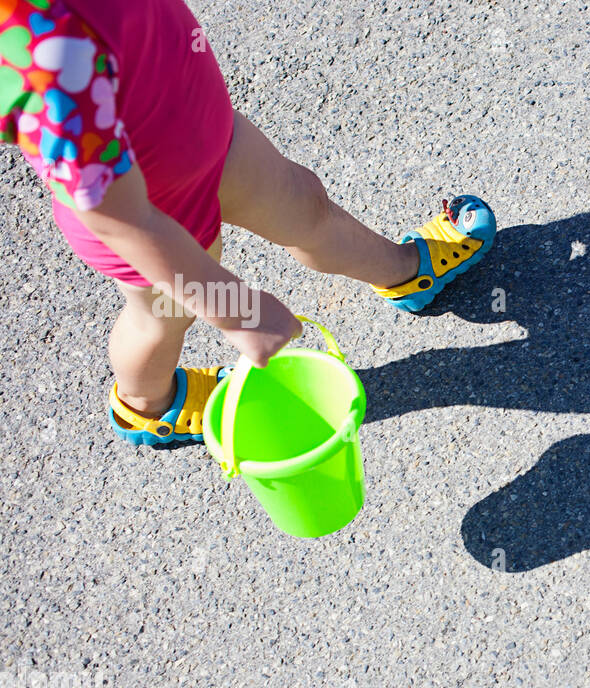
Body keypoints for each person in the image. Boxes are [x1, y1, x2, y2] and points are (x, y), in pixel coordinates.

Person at [0, 0, 495, 445]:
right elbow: (120, 220)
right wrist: (238, 310)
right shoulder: (40, 46)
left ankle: (407, 272)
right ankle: (146, 405)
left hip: (210, 132)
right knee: (161, 320)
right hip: (153, 218)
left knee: (307, 206)